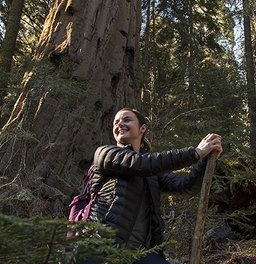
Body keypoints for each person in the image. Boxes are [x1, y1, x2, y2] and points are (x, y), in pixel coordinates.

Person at [84, 108, 222, 264]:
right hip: (100, 248)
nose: (120, 124)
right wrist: (195, 153)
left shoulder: (151, 173)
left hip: (138, 254)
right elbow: (140, 164)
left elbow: (185, 186)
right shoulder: (105, 153)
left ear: (142, 128)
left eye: (127, 120)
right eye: (116, 122)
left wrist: (205, 158)